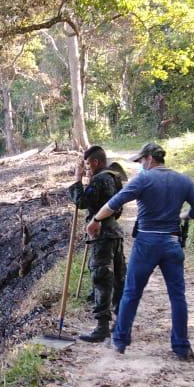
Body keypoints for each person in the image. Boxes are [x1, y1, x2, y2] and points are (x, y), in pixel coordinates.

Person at [86, 142, 194, 360]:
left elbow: (113, 204)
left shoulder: (143, 179)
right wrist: (182, 216)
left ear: (149, 158)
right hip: (172, 242)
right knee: (177, 296)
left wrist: (95, 220)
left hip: (146, 244)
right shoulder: (184, 180)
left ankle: (120, 340)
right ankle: (181, 347)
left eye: (141, 160)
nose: (141, 165)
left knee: (132, 292)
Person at [68, 145, 128, 342]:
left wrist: (77, 180)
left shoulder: (100, 179)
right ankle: (121, 321)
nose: (86, 168)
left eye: (87, 164)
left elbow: (82, 202)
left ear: (95, 162)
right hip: (115, 232)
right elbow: (118, 207)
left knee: (102, 277)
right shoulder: (114, 177)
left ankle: (102, 327)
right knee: (119, 278)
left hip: (102, 234)